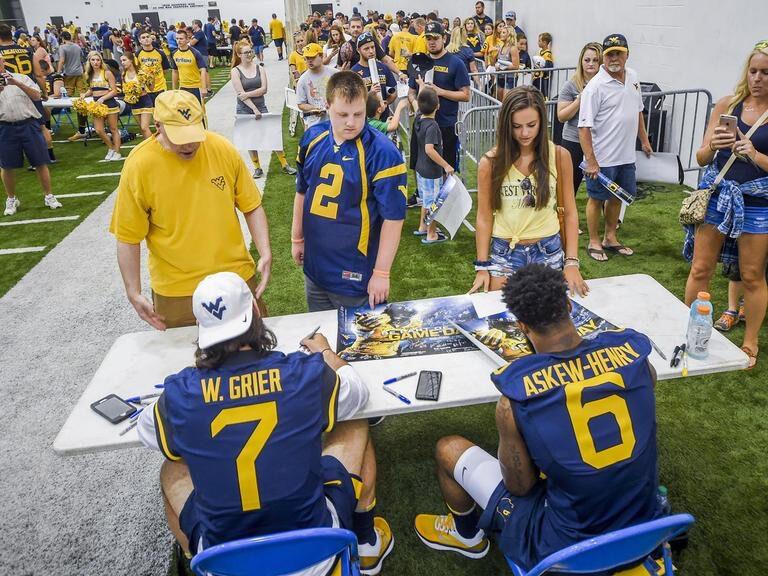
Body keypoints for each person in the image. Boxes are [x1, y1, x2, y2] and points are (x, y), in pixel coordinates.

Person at [137, 271, 393, 576]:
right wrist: (325, 351)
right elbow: (357, 391)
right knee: (353, 420)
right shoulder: (299, 374)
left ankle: (199, 561)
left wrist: (203, 392)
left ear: (199, 327)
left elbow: (146, 430)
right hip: (314, 554)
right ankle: (366, 543)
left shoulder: (181, 394)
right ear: (257, 312)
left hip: (229, 562)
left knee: (171, 466)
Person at [414, 264, 660, 571]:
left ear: (521, 326)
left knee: (448, 448)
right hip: (645, 525)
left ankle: (467, 536)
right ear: (569, 304)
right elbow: (646, 385)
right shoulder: (633, 353)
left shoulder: (513, 398)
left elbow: (520, 486)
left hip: (570, 544)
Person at [110, 90, 272, 329]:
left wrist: (265, 251)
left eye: (193, 133)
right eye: (179, 136)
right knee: (185, 360)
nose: (188, 144)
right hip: (177, 291)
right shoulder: (139, 165)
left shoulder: (222, 149)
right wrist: (133, 291)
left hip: (235, 278)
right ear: (158, 126)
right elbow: (127, 235)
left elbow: (252, 205)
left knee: (254, 356)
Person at [291, 71, 407, 312]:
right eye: (342, 114)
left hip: (356, 272)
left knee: (361, 345)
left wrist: (382, 273)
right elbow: (302, 191)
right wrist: (297, 238)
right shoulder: (313, 137)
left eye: (358, 114)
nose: (351, 122)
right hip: (315, 266)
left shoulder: (383, 152)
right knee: (321, 338)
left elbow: (394, 218)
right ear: (327, 106)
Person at [684, 40, 768, 369]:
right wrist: (714, 146)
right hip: (719, 195)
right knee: (700, 268)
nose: (758, 78)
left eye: (765, 72)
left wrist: (755, 154)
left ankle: (750, 341)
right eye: (753, 71)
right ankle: (690, 330)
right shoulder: (727, 105)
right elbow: (701, 156)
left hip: (758, 202)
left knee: (752, 275)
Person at [470, 86, 587, 296]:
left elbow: (569, 212)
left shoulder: (560, 156)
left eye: (531, 125)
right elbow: (484, 217)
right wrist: (482, 266)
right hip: (504, 252)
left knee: (549, 322)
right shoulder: (490, 162)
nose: (525, 133)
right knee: (503, 323)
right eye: (516, 126)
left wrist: (571, 262)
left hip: (549, 250)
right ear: (506, 126)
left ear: (542, 122)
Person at [579, 34, 652, 262]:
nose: (614, 58)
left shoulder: (634, 77)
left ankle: (610, 238)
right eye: (610, 54)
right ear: (604, 57)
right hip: (602, 159)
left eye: (618, 53)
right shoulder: (595, 87)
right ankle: (593, 241)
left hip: (626, 157)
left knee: (618, 198)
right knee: (596, 198)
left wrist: (644, 139)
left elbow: (638, 110)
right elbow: (584, 127)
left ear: (627, 54)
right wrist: (591, 160)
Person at [1, 54, 62, 217]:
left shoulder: (21, 77)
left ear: (3, 61)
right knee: (6, 166)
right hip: (5, 127)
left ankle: (49, 196)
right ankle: (11, 198)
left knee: (40, 162)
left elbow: (37, 96)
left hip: (28, 123)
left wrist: (17, 83)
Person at [408, 21, 470, 171]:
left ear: (444, 38)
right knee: (419, 164)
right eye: (428, 38)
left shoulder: (456, 63)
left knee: (446, 168)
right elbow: (411, 92)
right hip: (422, 124)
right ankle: (421, 194)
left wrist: (440, 91)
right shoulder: (417, 62)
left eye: (435, 38)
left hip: (445, 125)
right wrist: (417, 106)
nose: (431, 42)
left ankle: (445, 195)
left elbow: (466, 95)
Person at [231, 40, 297, 179]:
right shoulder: (235, 71)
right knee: (251, 139)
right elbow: (240, 95)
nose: (249, 54)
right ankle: (257, 167)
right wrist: (254, 108)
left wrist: (248, 94)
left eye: (250, 51)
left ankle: (285, 164)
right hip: (245, 109)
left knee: (272, 135)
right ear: (238, 54)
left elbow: (264, 89)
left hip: (261, 106)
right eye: (246, 52)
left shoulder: (259, 68)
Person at [557, 42, 603, 195]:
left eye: (595, 60)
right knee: (569, 185)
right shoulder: (571, 85)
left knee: (602, 185)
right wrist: (579, 100)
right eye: (587, 60)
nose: (591, 64)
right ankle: (563, 217)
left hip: (599, 141)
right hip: (574, 140)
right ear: (581, 61)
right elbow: (561, 116)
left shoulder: (605, 85)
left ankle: (606, 218)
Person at [413, 87, 453, 244]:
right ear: (438, 105)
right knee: (434, 204)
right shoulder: (433, 126)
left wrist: (422, 86)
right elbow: (429, 150)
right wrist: (446, 165)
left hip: (420, 169)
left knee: (425, 201)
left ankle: (423, 226)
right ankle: (431, 234)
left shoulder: (418, 119)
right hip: (431, 172)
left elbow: (417, 105)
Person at [82, 51, 121, 161]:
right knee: (99, 130)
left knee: (113, 129)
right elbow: (92, 89)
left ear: (101, 61)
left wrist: (103, 98)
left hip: (109, 103)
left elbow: (114, 91)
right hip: (97, 105)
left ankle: (117, 152)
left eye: (98, 60)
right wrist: (85, 95)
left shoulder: (107, 73)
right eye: (93, 60)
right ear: (89, 61)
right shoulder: (88, 74)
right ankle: (111, 148)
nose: (95, 62)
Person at [351, 32, 396, 115]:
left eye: (372, 47)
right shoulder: (354, 72)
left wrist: (384, 104)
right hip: (365, 118)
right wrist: (369, 94)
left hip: (384, 118)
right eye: (366, 49)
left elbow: (393, 93)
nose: (371, 51)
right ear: (358, 50)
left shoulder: (383, 67)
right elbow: (353, 100)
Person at [55, 30, 89, 142]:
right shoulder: (77, 47)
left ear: (62, 38)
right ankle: (82, 127)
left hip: (69, 74)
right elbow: (82, 60)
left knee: (67, 97)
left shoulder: (62, 47)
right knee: (83, 97)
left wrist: (58, 72)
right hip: (79, 73)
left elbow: (62, 60)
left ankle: (81, 128)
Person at [295, 43, 337, 129]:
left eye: (312, 57)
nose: (309, 61)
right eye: (307, 58)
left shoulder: (334, 73)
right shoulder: (303, 80)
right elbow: (301, 104)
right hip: (316, 125)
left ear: (321, 56)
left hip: (335, 121)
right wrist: (314, 108)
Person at [170, 28, 209, 106]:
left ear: (187, 40)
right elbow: (175, 71)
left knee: (198, 112)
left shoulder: (195, 53)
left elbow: (203, 70)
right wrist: (174, 89)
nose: (178, 41)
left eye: (181, 39)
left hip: (196, 87)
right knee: (185, 112)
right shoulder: (174, 53)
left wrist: (204, 87)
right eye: (177, 38)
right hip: (183, 87)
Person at [137, 29, 171, 110]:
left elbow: (165, 69)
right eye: (143, 37)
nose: (146, 39)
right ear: (140, 40)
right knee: (152, 111)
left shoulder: (160, 53)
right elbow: (137, 70)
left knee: (163, 111)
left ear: (151, 38)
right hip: (147, 89)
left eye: (148, 37)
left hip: (160, 87)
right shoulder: (137, 54)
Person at [120, 52, 152, 139]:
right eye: (121, 61)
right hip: (134, 103)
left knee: (144, 127)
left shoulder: (141, 72)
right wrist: (129, 92)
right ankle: (149, 147)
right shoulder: (123, 74)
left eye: (124, 60)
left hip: (145, 100)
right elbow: (124, 89)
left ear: (131, 60)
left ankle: (154, 146)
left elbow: (151, 88)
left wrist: (151, 77)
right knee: (142, 129)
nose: (122, 62)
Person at [495, 25, 519, 102]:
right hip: (500, 77)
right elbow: (497, 61)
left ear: (509, 34)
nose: (501, 34)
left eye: (503, 32)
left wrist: (503, 67)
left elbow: (516, 65)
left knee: (506, 100)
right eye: (501, 32)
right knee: (499, 99)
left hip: (510, 78)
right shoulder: (501, 47)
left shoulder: (513, 48)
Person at [532, 32, 553, 98]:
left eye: (539, 41)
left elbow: (548, 68)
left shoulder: (547, 54)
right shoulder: (540, 52)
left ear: (544, 42)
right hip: (536, 78)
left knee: (542, 96)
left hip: (542, 79)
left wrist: (542, 68)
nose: (538, 42)